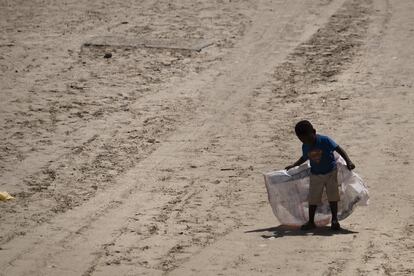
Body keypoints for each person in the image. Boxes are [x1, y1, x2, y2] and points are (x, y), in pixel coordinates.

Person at [285, 120, 355, 231]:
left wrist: (348, 161)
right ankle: (311, 222)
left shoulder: (325, 140)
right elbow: (304, 157)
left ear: (314, 132)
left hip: (331, 173)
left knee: (333, 197)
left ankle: (334, 220)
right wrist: (294, 165)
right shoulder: (305, 146)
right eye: (302, 140)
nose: (306, 141)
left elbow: (339, 149)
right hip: (316, 174)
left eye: (308, 138)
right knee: (313, 198)